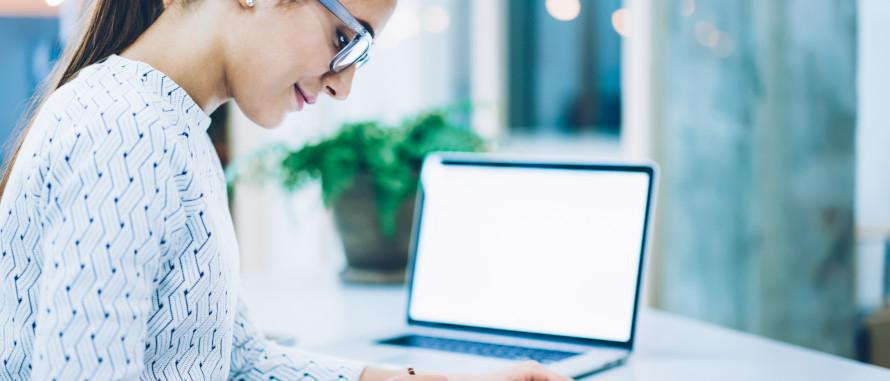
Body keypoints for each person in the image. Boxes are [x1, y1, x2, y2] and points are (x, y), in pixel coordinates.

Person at [0, 0, 573, 380]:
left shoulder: (169, 127)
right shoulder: (126, 130)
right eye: (343, 37)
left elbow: (238, 360)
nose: (344, 84)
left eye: (361, 52)